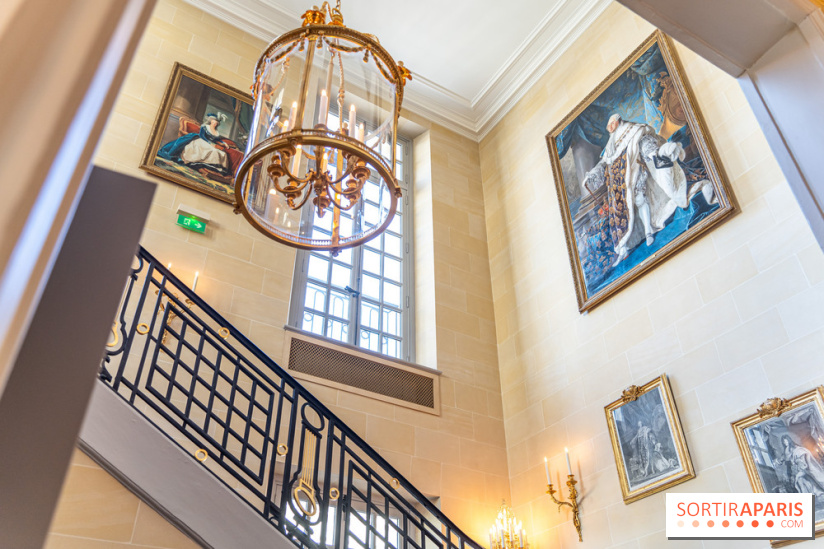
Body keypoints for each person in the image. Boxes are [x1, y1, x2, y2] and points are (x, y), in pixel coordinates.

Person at [582, 113, 689, 266]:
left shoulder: (633, 130)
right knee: (617, 214)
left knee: (639, 200)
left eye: (612, 124)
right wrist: (591, 175)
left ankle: (648, 231)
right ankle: (623, 248)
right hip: (616, 185)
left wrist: (653, 153)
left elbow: (644, 141)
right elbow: (604, 162)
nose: (610, 128)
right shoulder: (610, 144)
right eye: (608, 126)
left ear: (618, 122)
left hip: (633, 173)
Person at [158, 112, 233, 176]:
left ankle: (213, 167)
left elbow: (217, 140)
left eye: (216, 122)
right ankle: (196, 163)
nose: (215, 123)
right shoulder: (205, 127)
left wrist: (224, 143)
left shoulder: (216, 132)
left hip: (209, 143)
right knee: (211, 150)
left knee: (221, 153)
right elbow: (202, 136)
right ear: (211, 121)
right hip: (200, 140)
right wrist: (210, 143)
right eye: (214, 122)